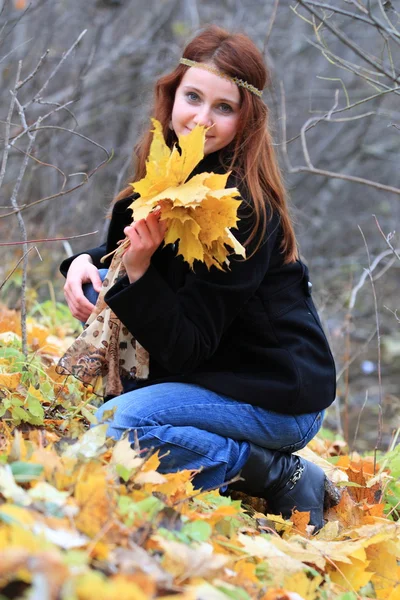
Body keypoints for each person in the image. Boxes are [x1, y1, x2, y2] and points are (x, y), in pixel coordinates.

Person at [61, 25, 337, 531]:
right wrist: (86, 262)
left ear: (245, 119)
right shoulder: (164, 176)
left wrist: (135, 276)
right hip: (213, 380)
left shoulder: (242, 209)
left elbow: (189, 345)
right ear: (171, 97)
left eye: (223, 108)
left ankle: (274, 472)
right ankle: (236, 459)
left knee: (113, 429)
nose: (201, 119)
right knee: (113, 424)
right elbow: (130, 248)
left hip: (276, 395)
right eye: (193, 97)